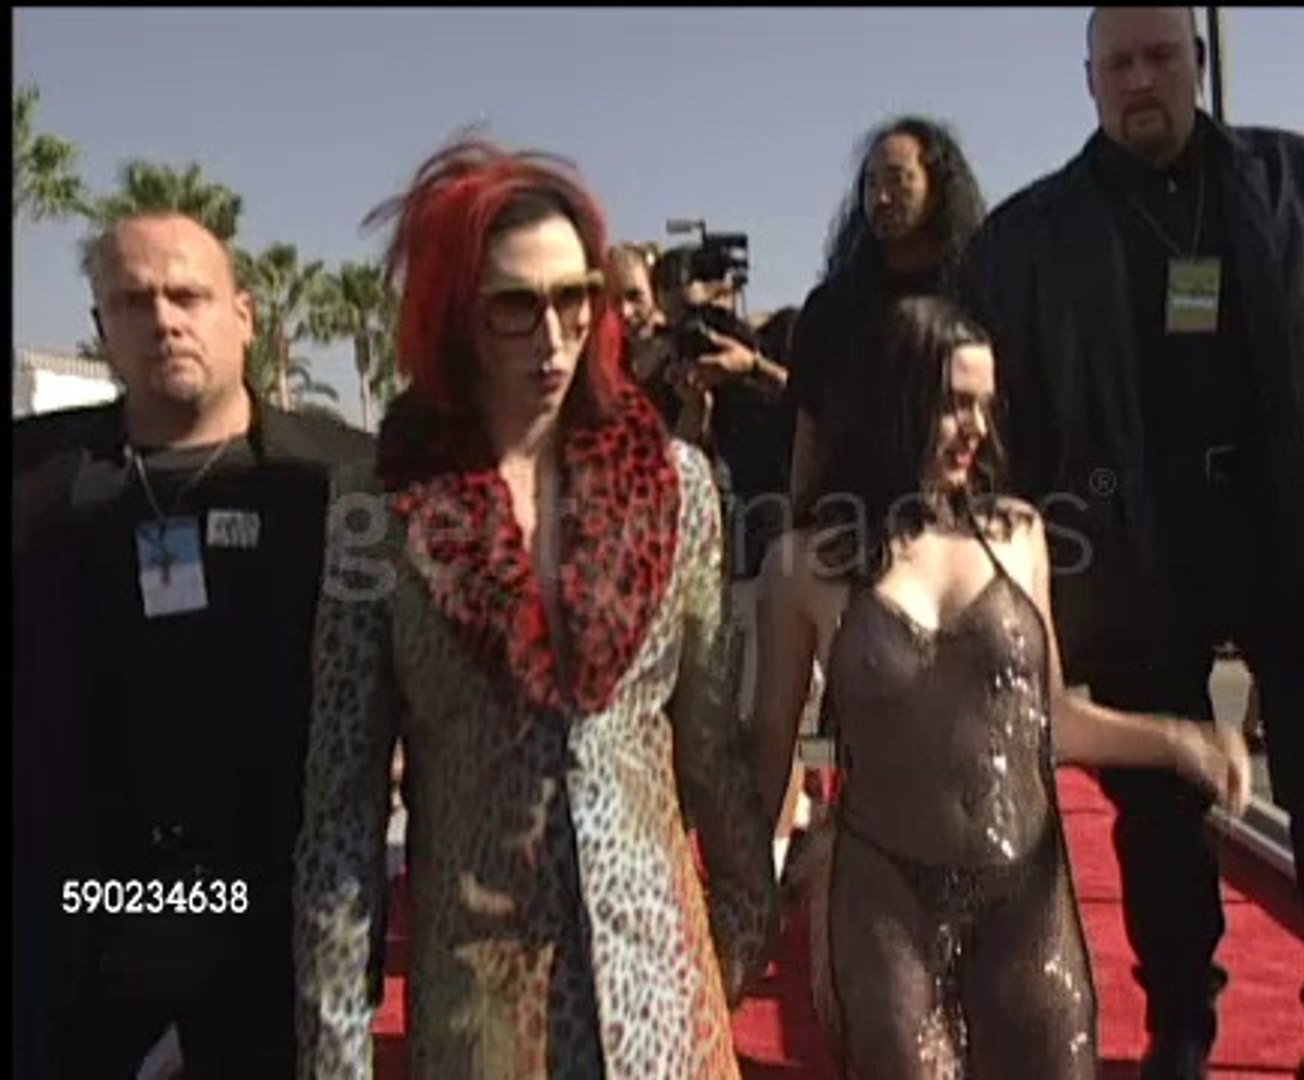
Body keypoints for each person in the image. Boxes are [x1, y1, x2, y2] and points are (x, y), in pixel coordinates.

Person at [959, 8, 1304, 1078]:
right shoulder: (1025, 243)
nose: (1140, 80)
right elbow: (974, 410)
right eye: (1118, 63)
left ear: (1197, 64)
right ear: (1088, 82)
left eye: (1160, 56)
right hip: (1129, 556)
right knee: (1160, 825)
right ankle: (1180, 1022)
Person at [292, 135, 778, 1078]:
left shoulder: (674, 487)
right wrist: (335, 1047)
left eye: (574, 298)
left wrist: (734, 936)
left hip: (662, 999)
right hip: (482, 1007)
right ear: (456, 315)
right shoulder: (381, 507)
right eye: (516, 306)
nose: (552, 336)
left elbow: (710, 746)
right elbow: (343, 811)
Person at [749, 294, 1251, 1078]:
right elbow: (767, 756)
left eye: (986, 404)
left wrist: (1178, 740)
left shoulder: (1018, 534)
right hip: (883, 900)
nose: (977, 428)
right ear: (895, 401)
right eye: (954, 403)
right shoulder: (802, 565)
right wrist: (741, 896)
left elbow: (1054, 721)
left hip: (1026, 894)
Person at [14, 211, 374, 1078]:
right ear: (102, 327)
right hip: (72, 944)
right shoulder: (29, 478)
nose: (165, 319)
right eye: (134, 301)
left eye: (189, 295)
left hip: (279, 935)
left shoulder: (347, 483)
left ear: (244, 314)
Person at [787, 114, 987, 504]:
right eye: (871, 183)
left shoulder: (977, 291)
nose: (881, 198)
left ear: (937, 186)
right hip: (854, 513)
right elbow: (811, 427)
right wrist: (798, 516)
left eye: (898, 179)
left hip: (959, 509)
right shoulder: (834, 306)